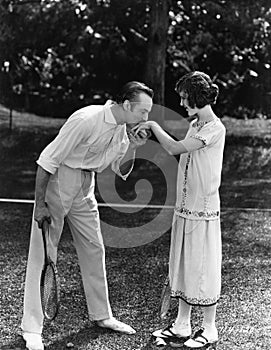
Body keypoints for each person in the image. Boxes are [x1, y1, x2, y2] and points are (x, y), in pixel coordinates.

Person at [21, 81, 154, 350]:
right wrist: (40, 204)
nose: (146, 118)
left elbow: (120, 169)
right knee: (44, 253)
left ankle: (102, 316)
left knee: (95, 248)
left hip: (86, 185)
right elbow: (47, 160)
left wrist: (134, 146)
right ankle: (31, 329)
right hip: (60, 181)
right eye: (143, 111)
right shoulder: (86, 118)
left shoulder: (120, 130)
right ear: (127, 105)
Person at [133, 71, 226, 349]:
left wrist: (151, 123)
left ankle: (209, 328)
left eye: (185, 98)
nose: (183, 103)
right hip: (184, 208)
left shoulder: (214, 128)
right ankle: (182, 325)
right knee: (183, 265)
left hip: (204, 210)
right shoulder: (196, 123)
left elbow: (174, 147)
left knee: (204, 267)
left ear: (198, 97)